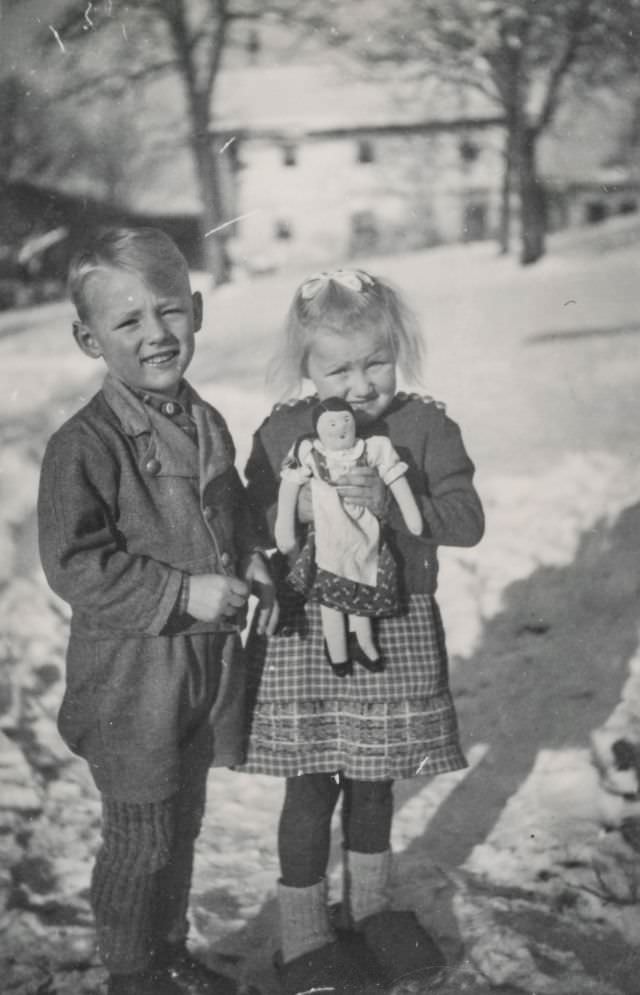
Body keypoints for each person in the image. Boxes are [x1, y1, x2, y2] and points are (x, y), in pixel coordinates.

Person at [37, 226, 278, 995]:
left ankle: (169, 952)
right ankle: (131, 972)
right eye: (128, 321)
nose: (156, 335)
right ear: (88, 338)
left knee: (183, 824)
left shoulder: (206, 421)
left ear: (198, 310)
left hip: (202, 670)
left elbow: (229, 511)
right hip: (132, 678)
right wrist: (180, 592)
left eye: (169, 311)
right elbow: (73, 563)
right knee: (140, 837)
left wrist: (250, 560)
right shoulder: (84, 444)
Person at [242, 267, 484, 995]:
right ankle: (304, 933)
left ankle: (373, 908)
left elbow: (466, 518)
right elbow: (249, 519)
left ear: (399, 350)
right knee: (312, 784)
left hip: (395, 618)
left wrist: (390, 499)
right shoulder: (284, 430)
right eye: (336, 367)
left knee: (375, 779)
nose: (359, 383)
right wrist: (296, 518)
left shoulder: (426, 426)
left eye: (375, 360)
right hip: (306, 628)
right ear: (306, 368)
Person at [274, 396, 422, 675]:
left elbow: (395, 478)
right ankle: (337, 651)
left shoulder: (373, 448)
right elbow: (289, 486)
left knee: (361, 587)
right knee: (331, 595)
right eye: (331, 423)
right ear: (318, 429)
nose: (340, 428)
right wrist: (284, 527)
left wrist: (411, 515)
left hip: (362, 533)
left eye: (346, 421)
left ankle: (362, 641)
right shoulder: (309, 453)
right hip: (328, 535)